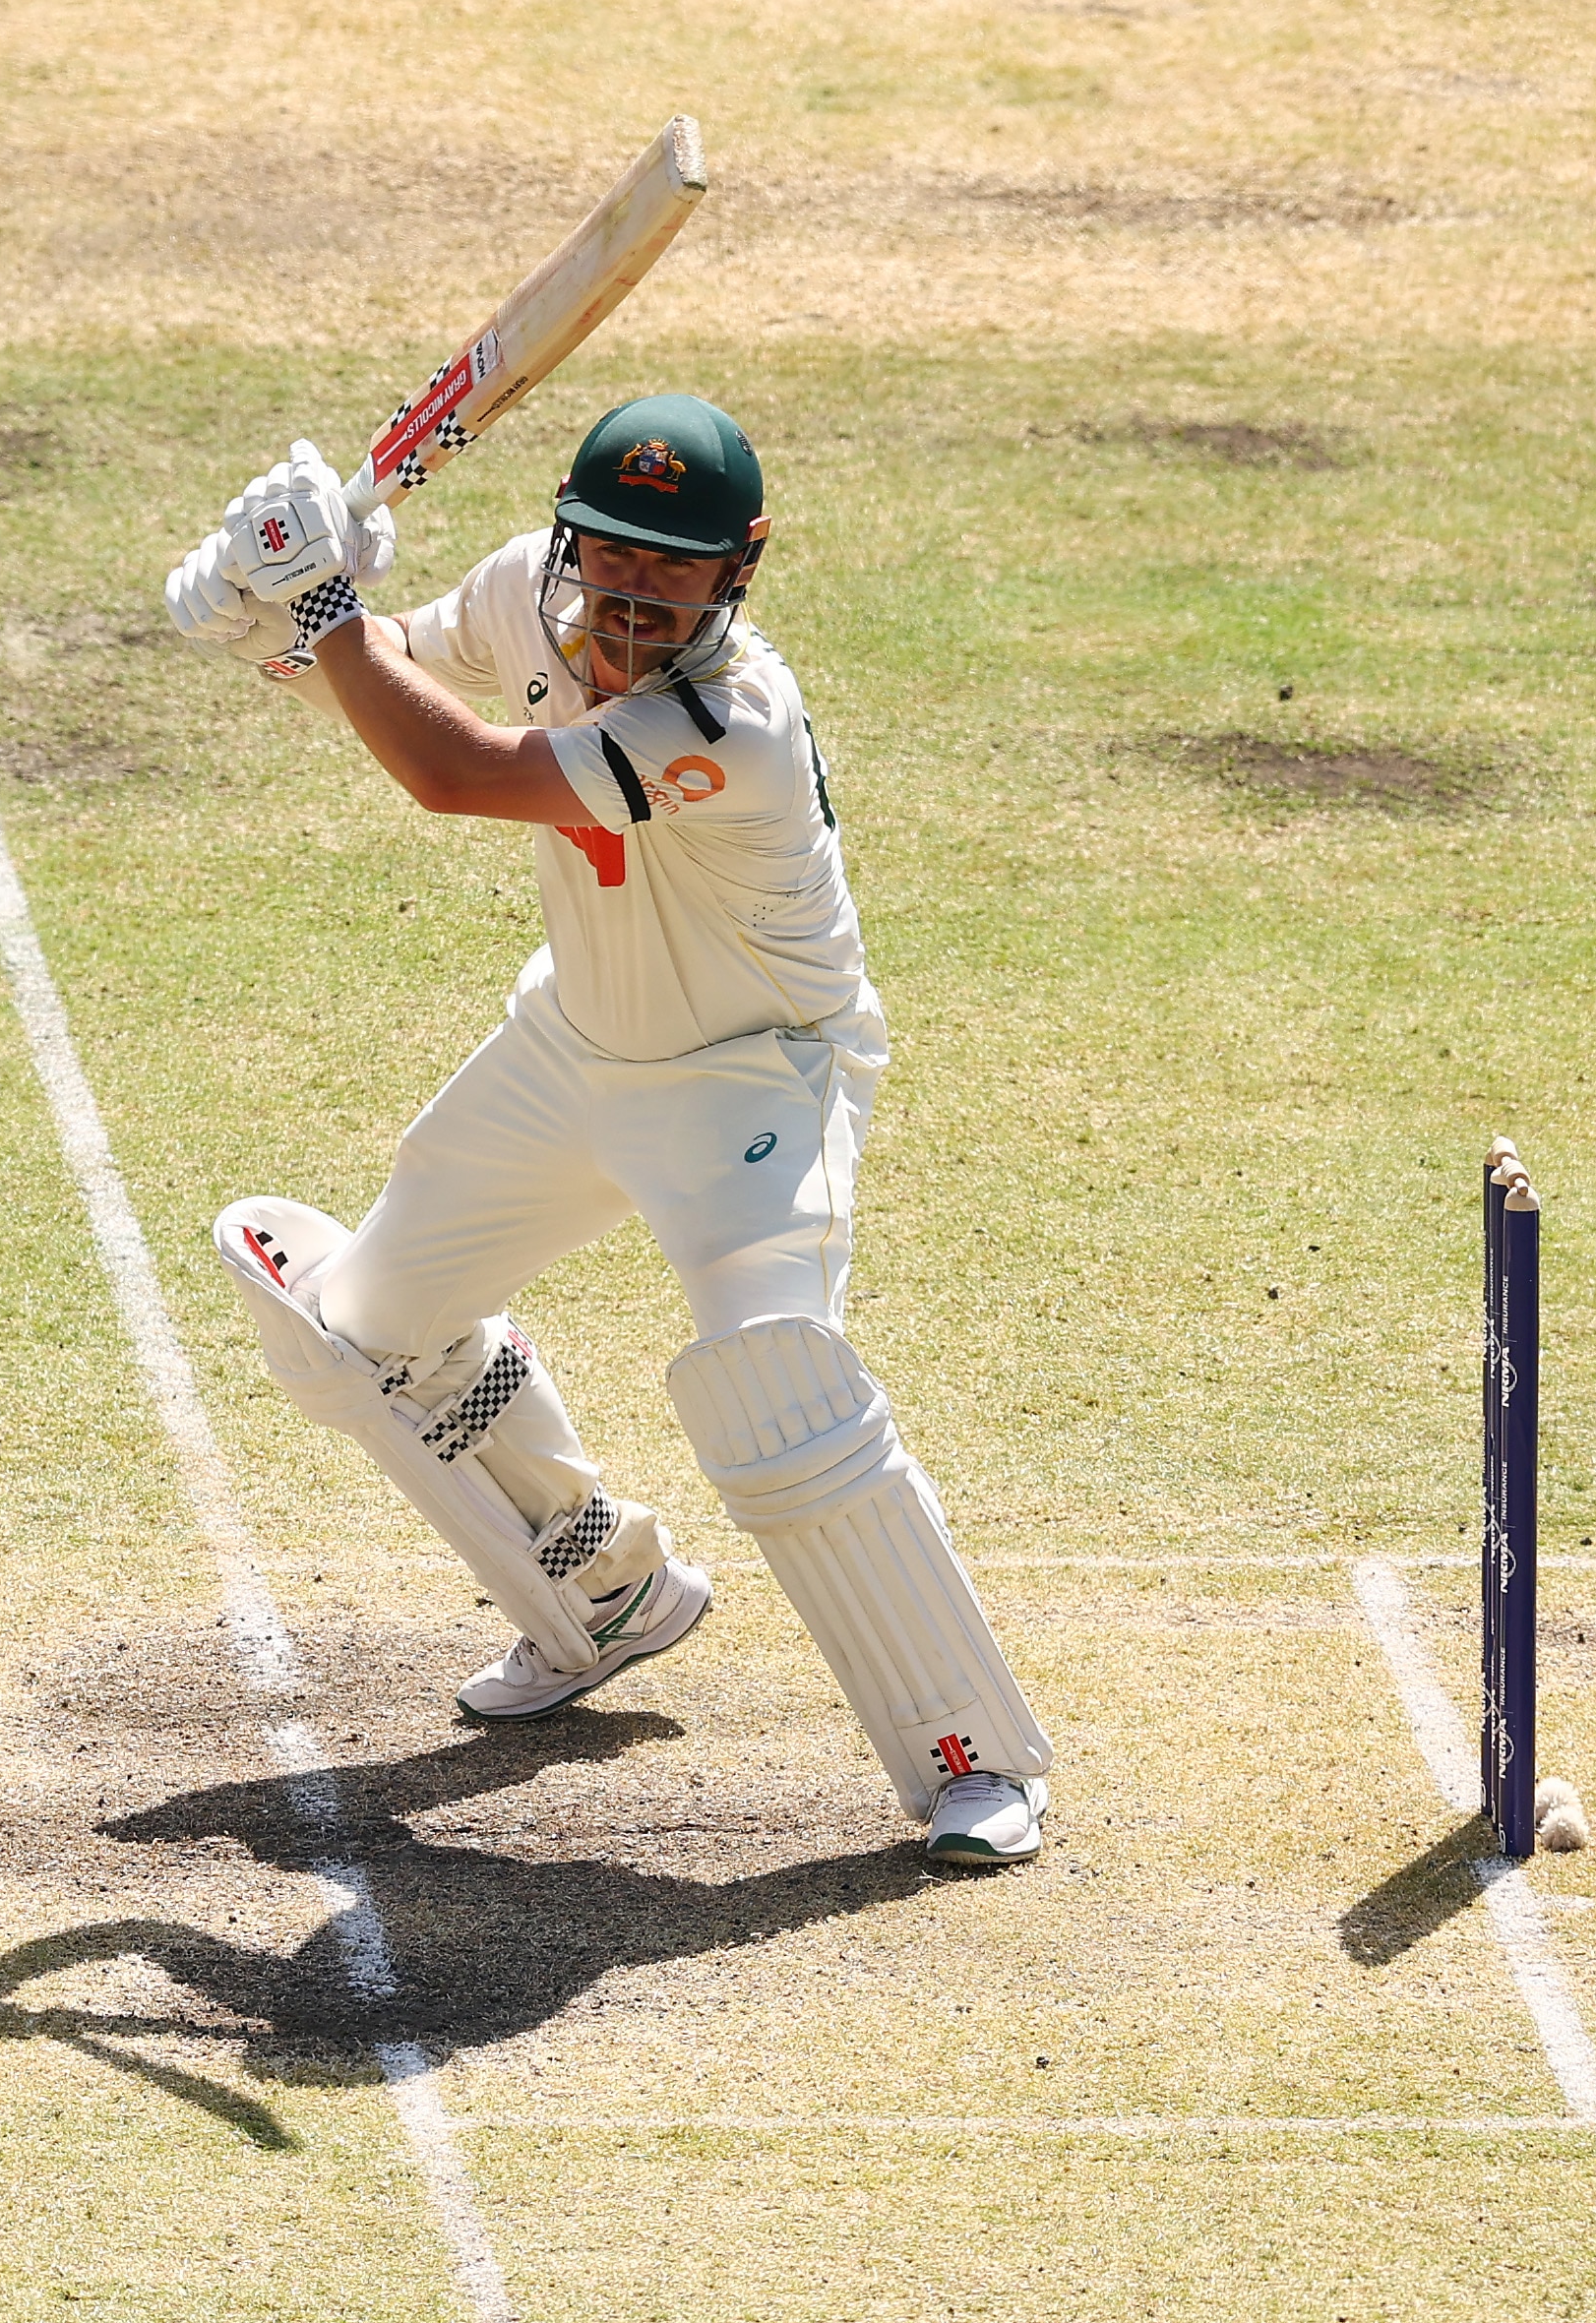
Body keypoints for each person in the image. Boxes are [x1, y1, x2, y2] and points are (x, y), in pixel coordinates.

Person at [156, 397, 1052, 1866]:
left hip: (751, 1084)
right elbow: (386, 687)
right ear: (570, 535)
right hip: (575, 1046)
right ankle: (605, 1593)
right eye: (613, 554)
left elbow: (457, 775)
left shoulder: (727, 723)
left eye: (675, 570)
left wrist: (318, 597)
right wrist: (266, 619)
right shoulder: (522, 588)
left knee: (779, 1391)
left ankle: (974, 1755)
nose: (634, 593)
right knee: (357, 1330)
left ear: (736, 575)